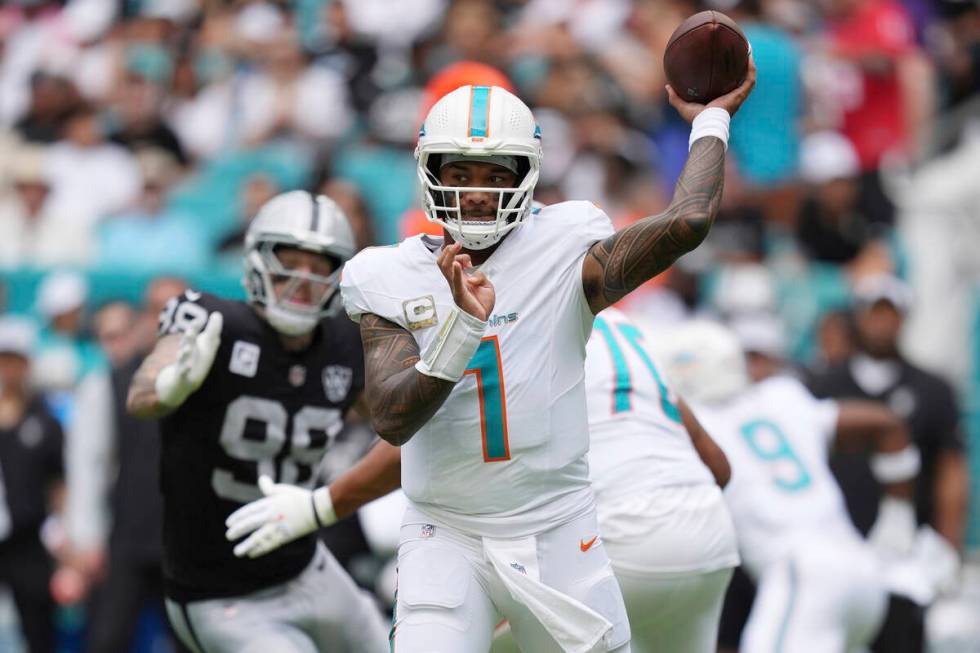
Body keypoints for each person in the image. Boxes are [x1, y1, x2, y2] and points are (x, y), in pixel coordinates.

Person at [222, 67, 756, 652]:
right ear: (431, 174)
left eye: (494, 173)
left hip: (557, 526)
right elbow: (393, 417)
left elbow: (689, 221)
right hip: (443, 534)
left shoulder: (566, 244)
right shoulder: (387, 274)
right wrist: (462, 329)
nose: (476, 191)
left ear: (526, 177)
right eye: (460, 172)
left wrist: (711, 119)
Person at [229, 307, 741, 653]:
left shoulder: (518, 313)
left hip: (612, 539)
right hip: (706, 536)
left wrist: (321, 506)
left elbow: (419, 436)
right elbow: (718, 468)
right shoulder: (629, 325)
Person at [126, 190, 388, 653]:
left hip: (306, 567)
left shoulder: (345, 342)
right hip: (218, 590)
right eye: (290, 259)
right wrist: (169, 384)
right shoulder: (213, 321)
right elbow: (143, 393)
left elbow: (399, 424)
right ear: (257, 260)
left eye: (319, 264)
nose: (302, 278)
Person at [657, 321, 923, 653]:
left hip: (803, 570)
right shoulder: (782, 395)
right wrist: (898, 511)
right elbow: (886, 422)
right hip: (862, 568)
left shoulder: (693, 423)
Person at [807, 274, 969, 653]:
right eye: (873, 313)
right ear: (858, 317)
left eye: (890, 313)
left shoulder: (933, 389)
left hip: (902, 557)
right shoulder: (822, 386)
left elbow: (950, 470)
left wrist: (948, 546)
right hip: (836, 548)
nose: (881, 323)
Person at [0, 316, 65, 653]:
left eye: (14, 360)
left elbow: (59, 481)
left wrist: (60, 530)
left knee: (38, 629)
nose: (7, 370)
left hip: (28, 539)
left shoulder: (44, 420)